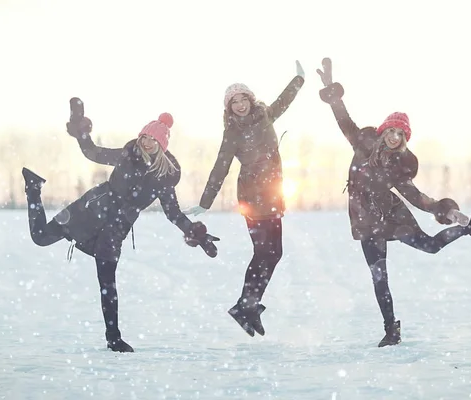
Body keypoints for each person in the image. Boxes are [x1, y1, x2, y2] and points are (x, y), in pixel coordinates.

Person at [316, 58, 471, 347]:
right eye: (392, 131)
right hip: (365, 221)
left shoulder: (398, 166)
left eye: (401, 134)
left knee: (430, 246)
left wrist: (447, 210)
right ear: (383, 130)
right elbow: (344, 119)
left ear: (404, 139)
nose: (395, 137)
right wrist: (332, 91)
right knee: (379, 278)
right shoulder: (362, 144)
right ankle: (391, 330)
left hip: (391, 215)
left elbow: (416, 197)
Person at [21, 102, 220, 352]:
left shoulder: (164, 178)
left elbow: (173, 214)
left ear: (162, 144)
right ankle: (33, 188)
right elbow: (92, 153)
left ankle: (113, 338)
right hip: (91, 209)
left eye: (152, 139)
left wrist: (197, 235)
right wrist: (81, 130)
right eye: (144, 136)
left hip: (117, 227)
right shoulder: (128, 154)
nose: (146, 142)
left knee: (107, 281)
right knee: (40, 237)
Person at [183, 61, 306, 337]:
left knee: (273, 253)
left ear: (251, 100)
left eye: (243, 99)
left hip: (273, 195)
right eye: (233, 102)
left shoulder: (265, 116)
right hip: (252, 197)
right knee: (265, 252)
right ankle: (246, 306)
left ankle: (247, 306)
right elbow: (220, 167)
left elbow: (283, 101)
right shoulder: (232, 134)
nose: (240, 105)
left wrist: (299, 80)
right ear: (229, 108)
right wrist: (206, 201)